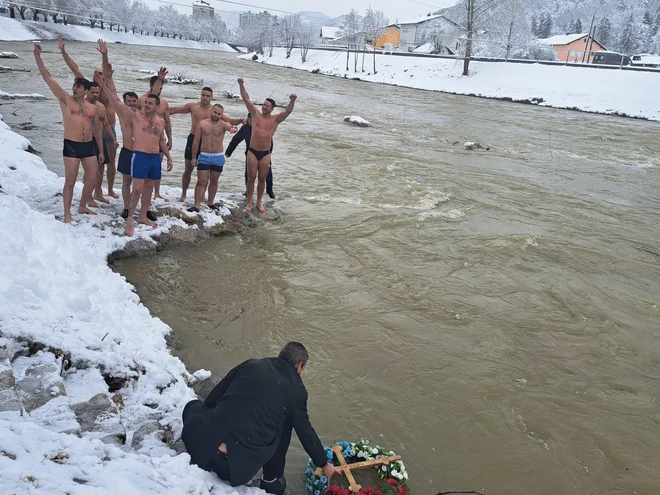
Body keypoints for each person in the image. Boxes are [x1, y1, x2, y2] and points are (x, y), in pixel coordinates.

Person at [181, 342, 341, 495]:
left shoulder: (251, 364)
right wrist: (324, 463)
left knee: (194, 406)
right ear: (299, 366)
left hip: (198, 444)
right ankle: (271, 479)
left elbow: (214, 398)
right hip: (232, 469)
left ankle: (214, 437)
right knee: (284, 425)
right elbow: (305, 432)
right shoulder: (297, 392)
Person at [95, 72, 173, 236]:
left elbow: (160, 141)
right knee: (136, 189)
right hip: (140, 156)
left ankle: (142, 216)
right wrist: (103, 86)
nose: (147, 105)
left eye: (151, 103)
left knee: (149, 187)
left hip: (154, 157)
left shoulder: (160, 121)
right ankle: (130, 218)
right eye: (146, 102)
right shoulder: (137, 116)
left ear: (157, 106)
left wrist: (168, 156)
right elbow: (116, 101)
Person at [33, 43, 103, 223]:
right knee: (70, 182)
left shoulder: (92, 108)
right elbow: (47, 77)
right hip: (71, 145)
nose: (74, 88)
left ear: (86, 91)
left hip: (88, 145)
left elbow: (97, 130)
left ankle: (82, 205)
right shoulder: (65, 100)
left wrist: (101, 151)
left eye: (78, 86)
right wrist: (38, 56)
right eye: (74, 85)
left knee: (92, 178)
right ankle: (67, 213)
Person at [58, 35, 118, 201]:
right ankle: (91, 194)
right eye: (97, 74)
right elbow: (74, 69)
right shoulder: (88, 88)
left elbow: (107, 69)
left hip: (110, 128)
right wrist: (63, 52)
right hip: (94, 130)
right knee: (95, 164)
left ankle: (108, 190)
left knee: (111, 163)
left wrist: (105, 55)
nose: (100, 76)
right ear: (93, 75)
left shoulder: (108, 90)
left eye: (102, 74)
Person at [169, 88, 245, 203]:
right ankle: (183, 193)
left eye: (208, 96)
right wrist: (160, 111)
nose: (205, 97)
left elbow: (229, 121)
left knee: (207, 171)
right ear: (200, 95)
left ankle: (203, 195)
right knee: (188, 168)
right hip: (193, 139)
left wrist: (241, 120)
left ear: (211, 97)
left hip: (206, 143)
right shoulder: (193, 106)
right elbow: (175, 110)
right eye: (203, 95)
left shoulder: (215, 111)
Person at [237, 78, 295, 212]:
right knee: (251, 178)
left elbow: (287, 112)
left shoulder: (275, 120)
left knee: (262, 179)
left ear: (272, 108)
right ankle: (249, 202)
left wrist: (292, 100)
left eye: (267, 106)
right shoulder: (255, 114)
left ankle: (259, 202)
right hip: (252, 151)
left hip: (265, 154)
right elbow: (246, 99)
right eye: (263, 104)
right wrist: (241, 85)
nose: (264, 107)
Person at [187, 104, 237, 212]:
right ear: (211, 111)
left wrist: (233, 129)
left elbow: (231, 127)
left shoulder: (223, 124)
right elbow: (196, 142)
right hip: (204, 155)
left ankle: (210, 202)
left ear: (221, 115)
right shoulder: (202, 124)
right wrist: (194, 157)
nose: (216, 115)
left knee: (214, 181)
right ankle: (196, 205)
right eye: (215, 112)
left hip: (218, 156)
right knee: (201, 181)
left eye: (219, 114)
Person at [138, 70, 172, 203]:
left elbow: (167, 122)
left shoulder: (164, 103)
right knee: (142, 167)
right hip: (144, 138)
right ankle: (139, 191)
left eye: (162, 88)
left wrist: (170, 138)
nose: (160, 90)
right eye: (159, 87)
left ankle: (156, 193)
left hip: (159, 138)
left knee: (157, 165)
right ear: (151, 86)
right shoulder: (142, 100)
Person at [225, 112, 275, 199]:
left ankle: (269, 191)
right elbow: (236, 139)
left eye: (253, 118)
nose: (251, 120)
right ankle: (248, 192)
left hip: (264, 153)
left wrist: (269, 153)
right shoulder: (245, 128)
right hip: (250, 154)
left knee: (268, 174)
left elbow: (270, 141)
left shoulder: (263, 127)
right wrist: (228, 152)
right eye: (249, 118)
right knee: (248, 174)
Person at [86, 81, 118, 205]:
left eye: (97, 92)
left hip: (99, 140)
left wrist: (113, 139)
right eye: (92, 92)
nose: (95, 94)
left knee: (100, 167)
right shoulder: (82, 105)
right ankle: (87, 195)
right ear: (86, 91)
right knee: (89, 169)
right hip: (86, 139)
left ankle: (97, 193)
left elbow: (106, 124)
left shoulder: (100, 106)